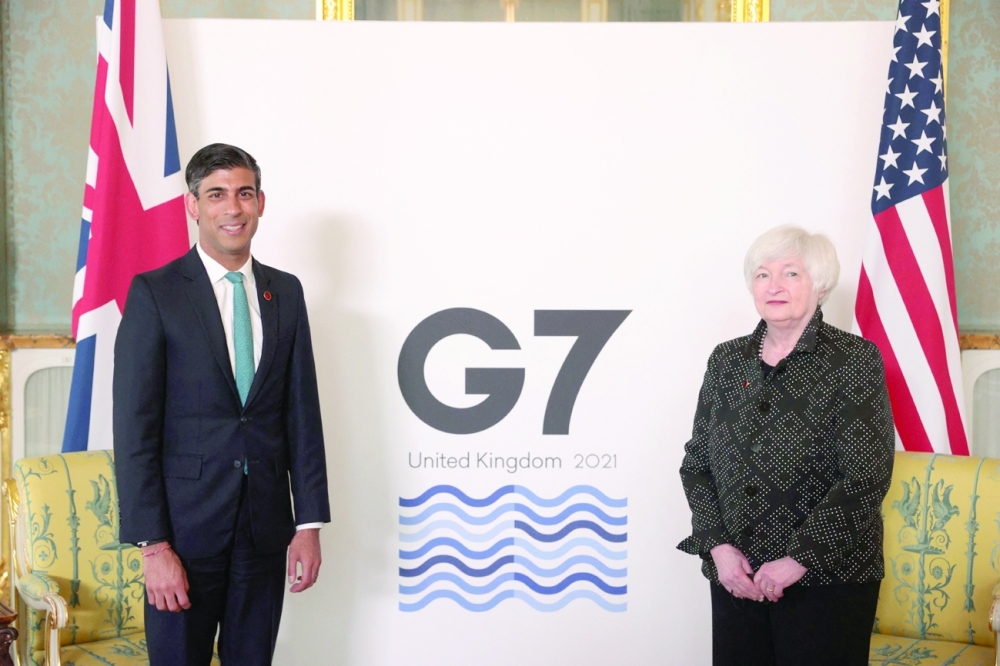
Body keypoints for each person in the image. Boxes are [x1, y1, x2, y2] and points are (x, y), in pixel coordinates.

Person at [113, 143, 330, 666]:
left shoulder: (288, 292)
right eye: (216, 195)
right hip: (184, 536)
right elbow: (134, 429)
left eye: (243, 193)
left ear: (260, 202)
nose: (232, 208)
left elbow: (302, 412)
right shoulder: (155, 293)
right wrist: (154, 548)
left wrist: (308, 526)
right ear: (193, 205)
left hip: (264, 530)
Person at [678, 225, 895, 666]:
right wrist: (719, 549)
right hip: (736, 578)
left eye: (791, 274)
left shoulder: (854, 360)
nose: (774, 286)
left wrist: (798, 559)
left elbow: (865, 476)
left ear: (820, 283)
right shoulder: (726, 360)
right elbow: (697, 464)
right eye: (762, 275)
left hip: (827, 581)